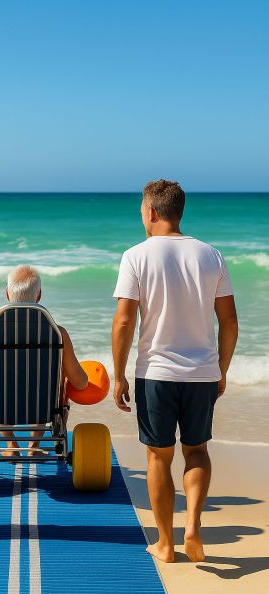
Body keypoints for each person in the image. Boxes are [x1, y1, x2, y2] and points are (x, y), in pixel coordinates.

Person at [112, 180, 238, 563]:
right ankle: (194, 527)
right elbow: (229, 322)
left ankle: (166, 543)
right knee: (196, 451)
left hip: (156, 374)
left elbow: (123, 321)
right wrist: (222, 369)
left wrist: (117, 375)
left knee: (158, 458)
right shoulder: (211, 255)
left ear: (151, 211)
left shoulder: (136, 255)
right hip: (201, 372)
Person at [0, 265, 88, 455]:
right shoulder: (57, 335)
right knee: (61, 376)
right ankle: (34, 445)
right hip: (43, 408)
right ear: (39, 295)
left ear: (7, 293)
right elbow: (79, 382)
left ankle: (11, 444)